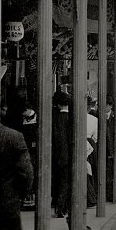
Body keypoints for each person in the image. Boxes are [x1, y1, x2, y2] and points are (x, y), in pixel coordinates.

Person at [50, 89, 72, 219]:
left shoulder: (54, 118)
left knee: (59, 181)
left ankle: (59, 205)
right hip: (68, 156)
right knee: (66, 182)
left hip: (56, 155)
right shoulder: (71, 118)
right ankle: (61, 207)